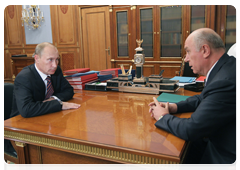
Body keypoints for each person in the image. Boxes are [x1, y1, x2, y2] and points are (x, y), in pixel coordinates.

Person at [148, 28, 238, 170]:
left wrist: (162, 117)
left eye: (188, 51)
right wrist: (174, 107)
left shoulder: (225, 81)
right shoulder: (227, 67)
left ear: (205, 50)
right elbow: (202, 98)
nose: (186, 58)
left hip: (225, 158)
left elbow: (191, 129)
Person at [11, 42, 81, 118]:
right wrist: (59, 104)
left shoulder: (56, 71)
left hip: (46, 115)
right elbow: (27, 110)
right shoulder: (24, 77)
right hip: (21, 121)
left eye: (57, 59)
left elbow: (69, 91)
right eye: (50, 59)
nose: (55, 65)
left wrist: (52, 99)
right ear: (37, 58)